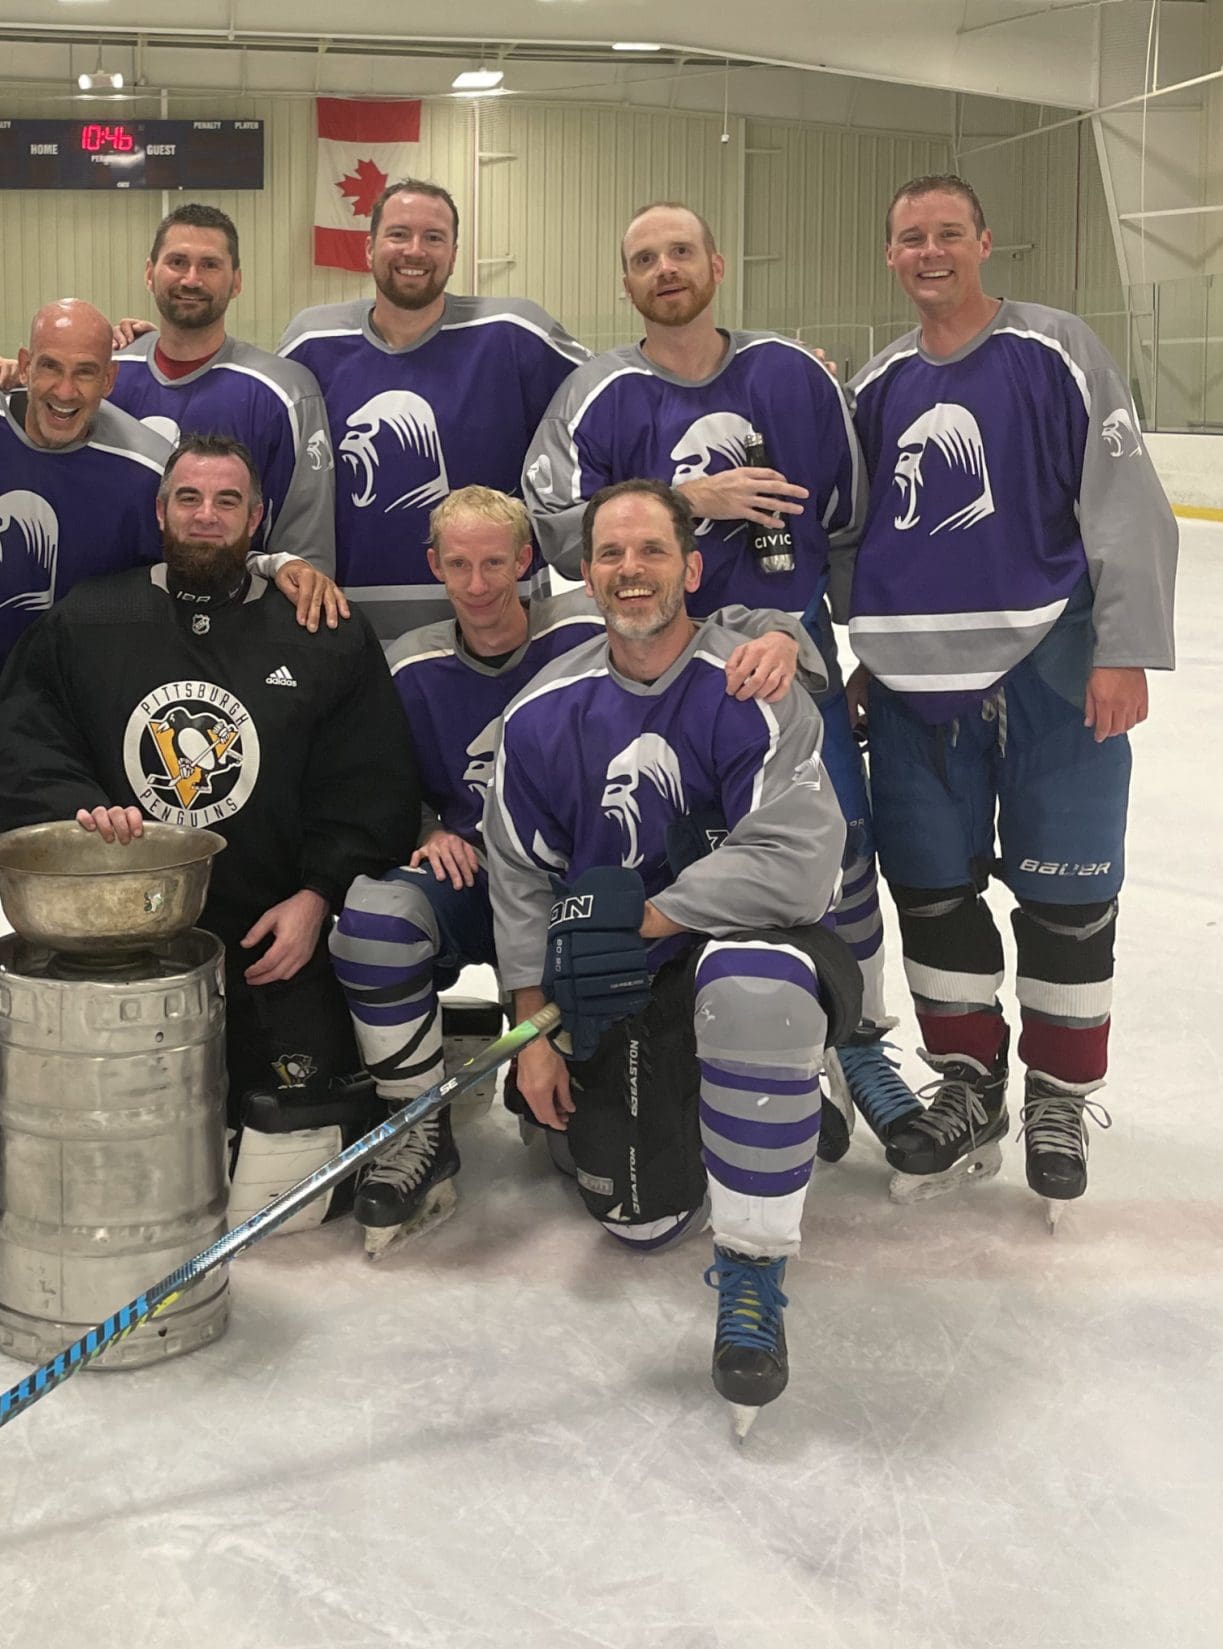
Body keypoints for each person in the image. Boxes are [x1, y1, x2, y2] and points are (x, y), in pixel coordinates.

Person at [522, 201, 918, 1155]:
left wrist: (852, 650)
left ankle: (857, 1038)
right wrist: (686, 498)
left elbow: (850, 519)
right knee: (679, 853)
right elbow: (554, 531)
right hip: (655, 663)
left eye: (681, 252)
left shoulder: (793, 376)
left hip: (785, 656)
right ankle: (725, 1043)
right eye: (644, 258)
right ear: (626, 282)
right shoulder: (596, 392)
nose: (665, 268)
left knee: (838, 848)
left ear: (717, 264)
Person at [329, 485, 817, 1256]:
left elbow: (713, 622)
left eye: (496, 563)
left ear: (529, 562)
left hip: (658, 925)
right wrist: (533, 1030)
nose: (478, 583)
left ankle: (766, 1092)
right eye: (459, 564)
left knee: (756, 987)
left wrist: (785, 636)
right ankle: (421, 1126)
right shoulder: (461, 681)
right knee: (628, 1206)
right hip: (553, 912)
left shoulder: (623, 631)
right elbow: (416, 804)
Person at [486, 479, 856, 1436]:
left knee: (755, 988)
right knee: (639, 1218)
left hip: (749, 947)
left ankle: (753, 1267)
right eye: (610, 554)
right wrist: (532, 1030)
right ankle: (722, 1105)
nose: (631, 570)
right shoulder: (542, 714)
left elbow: (797, 864)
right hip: (623, 981)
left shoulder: (750, 684)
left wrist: (649, 919)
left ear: (691, 568)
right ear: (586, 574)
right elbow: (520, 879)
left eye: (652, 550)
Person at [0, 434, 421, 1232]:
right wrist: (80, 815)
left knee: (298, 1167)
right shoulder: (91, 617)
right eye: (188, 499)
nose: (206, 516)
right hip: (126, 944)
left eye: (226, 502)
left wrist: (317, 895)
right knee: (107, 1162)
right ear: (161, 512)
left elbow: (369, 782)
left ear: (257, 519)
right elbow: (26, 743)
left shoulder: (320, 629)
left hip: (271, 940)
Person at [846, 175, 1178, 1221]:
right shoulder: (879, 382)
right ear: (889, 255)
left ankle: (1057, 1095)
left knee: (1068, 896)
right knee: (929, 892)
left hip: (1054, 666)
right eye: (910, 237)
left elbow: (1123, 501)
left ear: (984, 242)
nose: (929, 250)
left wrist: (1123, 646)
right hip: (914, 689)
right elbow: (865, 533)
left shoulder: (1055, 348)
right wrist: (868, 649)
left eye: (948, 232)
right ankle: (967, 1083)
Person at [0, 299, 343, 671]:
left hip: (78, 696)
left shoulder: (146, 467)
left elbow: (199, 552)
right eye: (50, 366)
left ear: (109, 380)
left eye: (85, 372)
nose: (65, 390)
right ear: (26, 364)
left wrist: (275, 564)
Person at [279, 178, 587, 638]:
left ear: (454, 254)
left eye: (434, 237)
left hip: (497, 626)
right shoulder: (311, 342)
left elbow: (608, 402)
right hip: (345, 625)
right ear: (370, 247)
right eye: (399, 234)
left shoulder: (514, 332)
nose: (415, 250)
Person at [105, 203, 336, 570]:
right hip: (118, 601)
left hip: (238, 603)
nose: (191, 279)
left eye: (210, 265)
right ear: (150, 273)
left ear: (236, 282)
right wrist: (4, 377)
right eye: (177, 262)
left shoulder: (287, 391)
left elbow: (305, 557)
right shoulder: (105, 376)